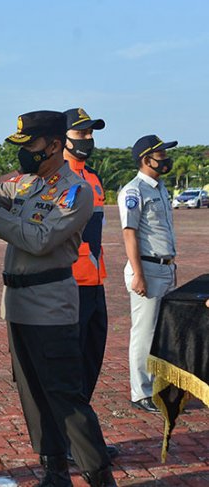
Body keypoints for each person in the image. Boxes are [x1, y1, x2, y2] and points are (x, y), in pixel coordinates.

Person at [0, 111, 116, 486]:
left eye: (29, 145)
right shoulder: (25, 184)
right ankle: (55, 472)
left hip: (51, 306)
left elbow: (39, 240)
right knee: (33, 396)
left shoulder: (74, 191)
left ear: (53, 145)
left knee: (66, 397)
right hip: (18, 305)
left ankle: (99, 476)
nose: (23, 154)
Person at [63, 108, 119, 460]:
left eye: (90, 134)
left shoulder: (93, 179)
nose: (87, 141)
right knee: (70, 369)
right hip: (69, 286)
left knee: (90, 361)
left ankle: (82, 438)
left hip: (95, 283)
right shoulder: (57, 178)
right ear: (63, 137)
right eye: (80, 134)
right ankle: (69, 443)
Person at [118, 135, 178, 413]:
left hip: (165, 267)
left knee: (161, 332)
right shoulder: (134, 191)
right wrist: (138, 274)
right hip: (147, 268)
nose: (166, 159)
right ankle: (140, 391)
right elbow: (130, 233)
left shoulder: (161, 188)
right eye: (161, 154)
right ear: (146, 159)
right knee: (144, 332)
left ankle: (158, 388)